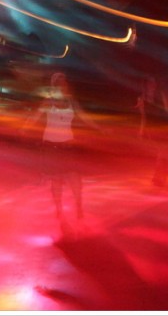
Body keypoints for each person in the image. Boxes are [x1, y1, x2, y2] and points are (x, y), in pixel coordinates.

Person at [21, 72, 102, 234]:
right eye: (58, 82)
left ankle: (79, 207)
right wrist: (25, 127)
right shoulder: (48, 102)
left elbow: (84, 117)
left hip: (67, 146)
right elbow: (35, 116)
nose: (61, 84)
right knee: (56, 180)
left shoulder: (72, 102)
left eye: (63, 81)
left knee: (75, 178)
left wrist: (100, 127)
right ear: (54, 85)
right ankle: (59, 209)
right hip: (51, 147)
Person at [134, 76, 168, 186]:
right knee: (160, 153)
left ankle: (158, 177)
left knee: (161, 152)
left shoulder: (161, 96)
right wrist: (141, 130)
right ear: (146, 85)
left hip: (162, 127)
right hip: (151, 129)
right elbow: (143, 116)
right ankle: (164, 172)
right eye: (150, 83)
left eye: (154, 83)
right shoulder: (142, 99)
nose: (152, 85)